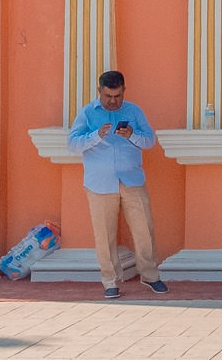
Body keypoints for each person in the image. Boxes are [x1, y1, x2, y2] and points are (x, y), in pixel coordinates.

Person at [64, 69, 168, 299]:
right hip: (99, 184)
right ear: (99, 91)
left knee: (144, 230)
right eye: (108, 96)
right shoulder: (87, 113)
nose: (113, 101)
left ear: (124, 91)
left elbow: (150, 141)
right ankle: (110, 281)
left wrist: (131, 134)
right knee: (104, 235)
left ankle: (151, 276)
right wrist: (96, 135)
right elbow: (72, 144)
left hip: (132, 180)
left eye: (117, 96)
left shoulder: (134, 111)